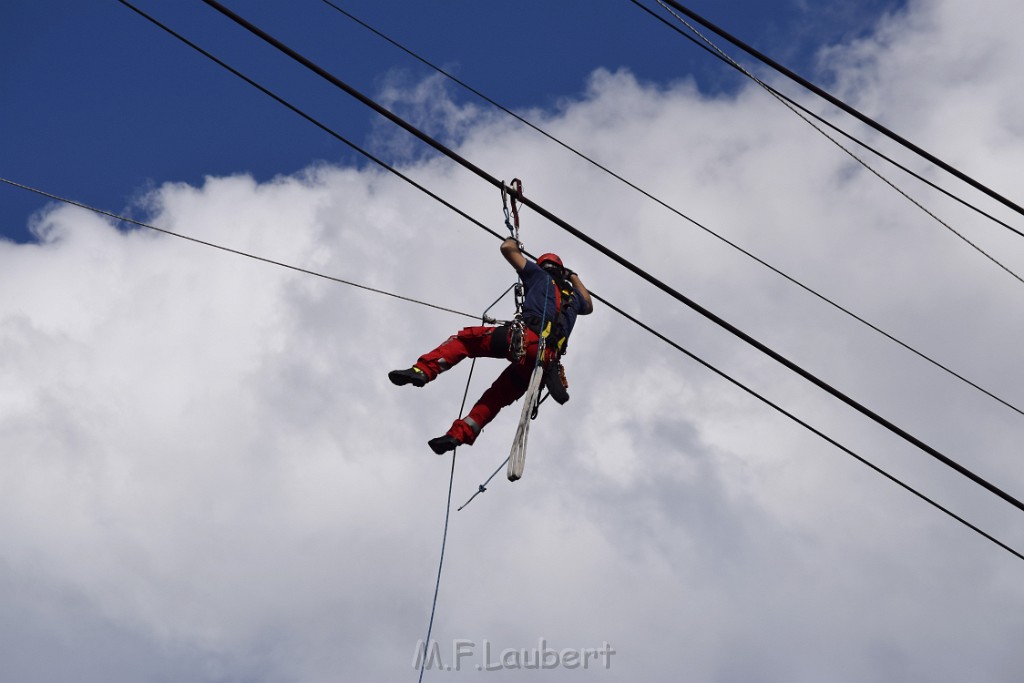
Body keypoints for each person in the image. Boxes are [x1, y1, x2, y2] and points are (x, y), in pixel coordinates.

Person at [389, 238, 594, 454]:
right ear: (561, 272)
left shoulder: (538, 275)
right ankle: (458, 435)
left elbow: (507, 249)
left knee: (465, 341)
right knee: (497, 397)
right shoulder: (573, 300)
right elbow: (589, 305)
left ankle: (423, 370)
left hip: (525, 340)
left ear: (544, 267)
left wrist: (513, 241)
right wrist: (573, 276)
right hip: (544, 363)